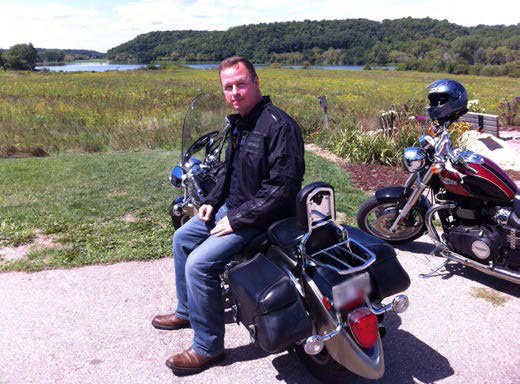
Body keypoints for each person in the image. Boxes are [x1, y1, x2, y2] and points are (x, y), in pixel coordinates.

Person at [152, 56, 305, 375]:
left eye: (240, 84)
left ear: (256, 82)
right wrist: (211, 200)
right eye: (228, 87)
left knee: (200, 263)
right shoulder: (238, 124)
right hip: (230, 208)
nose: (235, 92)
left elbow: (281, 189)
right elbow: (228, 172)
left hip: (262, 218)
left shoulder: (280, 126)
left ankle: (208, 347)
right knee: (182, 238)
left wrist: (237, 219)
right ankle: (187, 311)